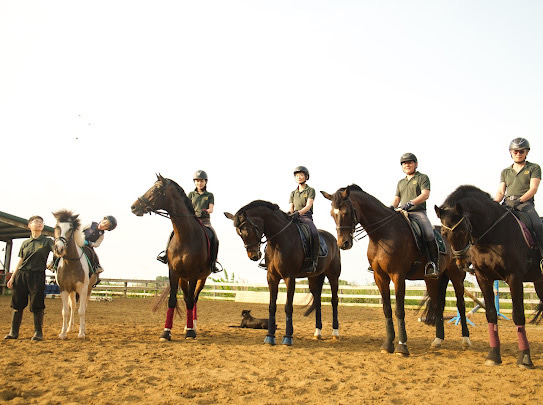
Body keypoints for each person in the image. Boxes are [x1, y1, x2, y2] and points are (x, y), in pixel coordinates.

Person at [157, 170, 221, 273]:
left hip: (205, 221)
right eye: (197, 181)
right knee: (173, 232)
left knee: (214, 236)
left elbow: (211, 209)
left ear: (205, 182)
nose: (199, 183)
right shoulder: (191, 194)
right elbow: (186, 206)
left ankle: (213, 263)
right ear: (194, 182)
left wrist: (204, 211)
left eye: (201, 181)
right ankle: (166, 254)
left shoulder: (209, 195)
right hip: (192, 220)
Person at [494, 138, 543, 269]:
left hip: (525, 203)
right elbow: (501, 191)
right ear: (511, 152)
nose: (518, 154)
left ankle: (542, 257)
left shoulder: (534, 167)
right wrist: (493, 203)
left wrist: (520, 200)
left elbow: (533, 189)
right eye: (515, 151)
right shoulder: (505, 171)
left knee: (538, 225)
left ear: (526, 152)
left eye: (521, 151)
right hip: (508, 202)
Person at [5, 215, 54, 341]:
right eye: (36, 222)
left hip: (37, 276)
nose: (39, 224)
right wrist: (12, 277)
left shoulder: (48, 241)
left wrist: (53, 263)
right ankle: (13, 332)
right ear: (29, 225)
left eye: (41, 222)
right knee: (17, 304)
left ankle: (38, 333)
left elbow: (59, 253)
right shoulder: (25, 243)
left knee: (37, 304)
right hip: (22, 275)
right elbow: (20, 260)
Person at [391, 153, 439, 278]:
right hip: (402, 212)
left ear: (415, 164)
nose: (407, 165)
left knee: (429, 233)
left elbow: (425, 195)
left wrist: (410, 203)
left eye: (410, 162)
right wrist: (390, 207)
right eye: (404, 163)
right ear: (402, 166)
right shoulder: (400, 182)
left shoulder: (422, 178)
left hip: (418, 212)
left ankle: (433, 264)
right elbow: (397, 199)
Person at [289, 165, 319, 273]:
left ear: (306, 177)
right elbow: (291, 207)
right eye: (297, 176)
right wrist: (291, 213)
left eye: (301, 175)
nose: (299, 177)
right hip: (294, 216)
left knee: (314, 233)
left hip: (306, 216)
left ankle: (313, 261)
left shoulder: (310, 190)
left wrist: (299, 213)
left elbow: (308, 206)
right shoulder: (293, 193)